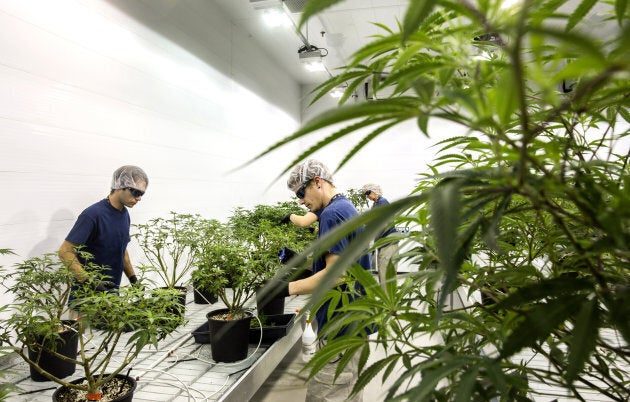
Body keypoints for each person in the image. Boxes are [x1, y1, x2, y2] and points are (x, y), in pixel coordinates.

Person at [276, 159, 372, 402]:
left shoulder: (332, 214)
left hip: (341, 322)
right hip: (355, 318)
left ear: (317, 182)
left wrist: (284, 289)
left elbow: (336, 275)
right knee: (349, 386)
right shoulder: (343, 207)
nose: (299, 200)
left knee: (326, 393)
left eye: (300, 192)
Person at [58, 166, 147, 298]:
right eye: (135, 192)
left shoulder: (124, 214)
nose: (139, 198)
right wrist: (89, 282)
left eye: (142, 194)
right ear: (119, 185)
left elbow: (121, 248)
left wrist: (133, 278)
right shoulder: (93, 215)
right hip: (86, 301)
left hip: (110, 298)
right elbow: (65, 252)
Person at [360, 183, 399, 289]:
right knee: (383, 273)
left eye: (367, 192)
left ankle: (388, 303)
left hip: (388, 242)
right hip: (383, 243)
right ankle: (387, 301)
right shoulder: (376, 204)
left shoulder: (382, 202)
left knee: (387, 274)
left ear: (374, 191)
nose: (367, 196)